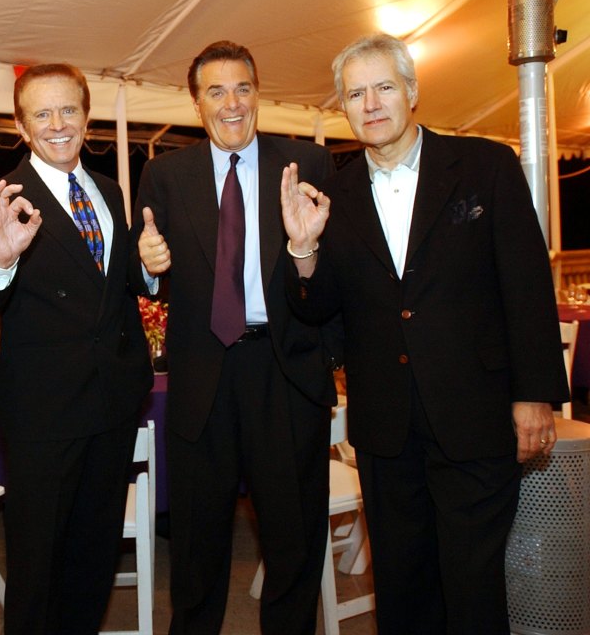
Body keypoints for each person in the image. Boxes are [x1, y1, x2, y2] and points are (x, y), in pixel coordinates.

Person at [280, 33, 570, 633]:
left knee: (472, 587)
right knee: (404, 590)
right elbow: (319, 309)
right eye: (355, 93)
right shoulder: (333, 195)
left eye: (384, 86)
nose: (371, 103)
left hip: (478, 416)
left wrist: (534, 394)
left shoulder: (484, 166)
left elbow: (526, 286)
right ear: (344, 106)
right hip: (388, 428)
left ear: (411, 91)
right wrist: (303, 250)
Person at [129, 40, 339, 634]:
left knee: (293, 541)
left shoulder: (306, 165)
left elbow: (337, 272)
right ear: (197, 103)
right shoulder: (165, 175)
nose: (231, 103)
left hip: (285, 371)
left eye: (242, 88)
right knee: (195, 545)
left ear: (258, 93)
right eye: (215, 91)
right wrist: (146, 263)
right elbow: (140, 272)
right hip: (203, 377)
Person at [0, 63, 153, 634]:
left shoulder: (110, 190)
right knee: (37, 565)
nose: (58, 124)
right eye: (42, 113)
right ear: (20, 125)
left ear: (87, 115)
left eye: (69, 109)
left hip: (114, 400)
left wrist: (150, 269)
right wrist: (2, 259)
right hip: (44, 410)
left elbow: (115, 286)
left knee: (94, 557)